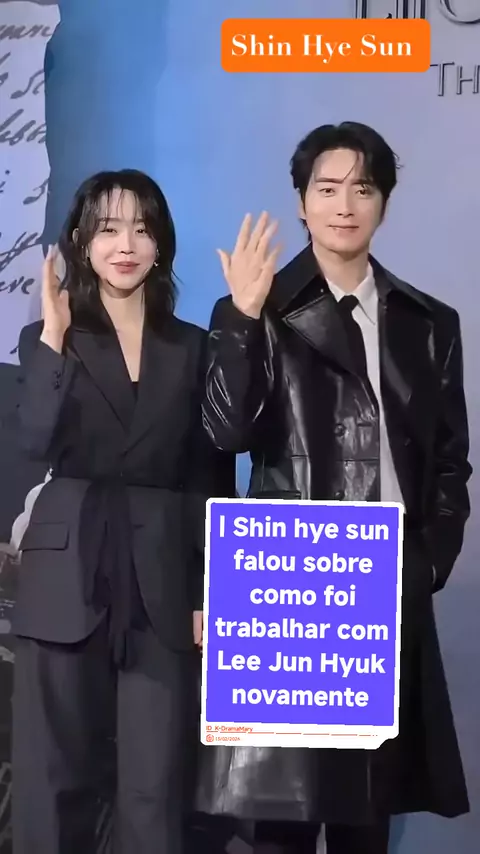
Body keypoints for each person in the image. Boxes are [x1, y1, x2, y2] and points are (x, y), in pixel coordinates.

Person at [196, 122, 472, 853]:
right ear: (301, 202)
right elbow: (224, 433)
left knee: (365, 818)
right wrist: (241, 319)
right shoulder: (259, 307)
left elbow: (450, 461)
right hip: (286, 589)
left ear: (383, 203)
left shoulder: (429, 324)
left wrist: (427, 564)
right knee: (277, 821)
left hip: (384, 585)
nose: (344, 205)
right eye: (327, 189)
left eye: (363, 188)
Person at [12, 168, 235, 854]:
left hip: (162, 578)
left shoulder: (193, 346)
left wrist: (209, 590)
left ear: (161, 244)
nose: (126, 244)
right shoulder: (49, 336)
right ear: (82, 242)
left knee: (155, 785)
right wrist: (54, 339)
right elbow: (34, 441)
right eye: (108, 229)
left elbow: (209, 475)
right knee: (52, 780)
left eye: (142, 228)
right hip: (64, 572)